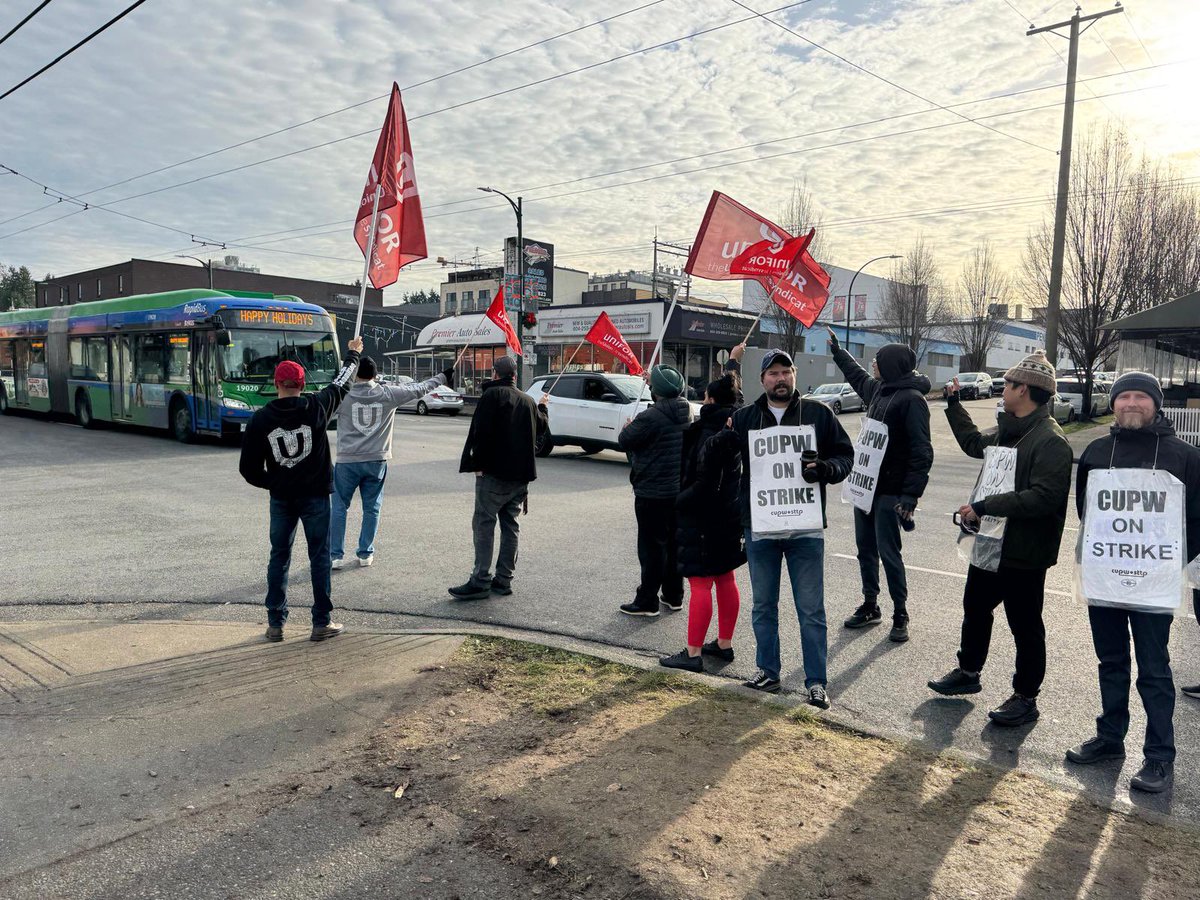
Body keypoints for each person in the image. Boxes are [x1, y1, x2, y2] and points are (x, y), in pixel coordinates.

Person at [1065, 373, 1200, 793]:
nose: (1131, 403)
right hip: (1105, 579)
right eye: (1124, 396)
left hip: (1155, 584)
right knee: (1111, 662)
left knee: (1154, 670)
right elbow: (1087, 512)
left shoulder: (1186, 456)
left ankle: (1159, 756)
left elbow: (1197, 519)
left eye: (1141, 396)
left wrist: (1168, 563)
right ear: (1114, 403)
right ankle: (1109, 738)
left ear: (1156, 403)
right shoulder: (1096, 451)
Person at [927, 350, 1072, 726]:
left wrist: (985, 504)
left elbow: (1044, 498)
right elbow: (975, 444)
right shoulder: (1010, 430)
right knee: (975, 608)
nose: (1002, 389)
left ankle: (1026, 697)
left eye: (1007, 384)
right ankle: (968, 673)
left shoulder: (1050, 441)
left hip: (1025, 551)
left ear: (1024, 390)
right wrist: (954, 405)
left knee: (1025, 625)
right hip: (992, 543)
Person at [730, 349, 854, 708]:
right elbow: (722, 457)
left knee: (811, 610)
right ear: (762, 380)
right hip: (761, 529)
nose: (780, 378)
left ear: (795, 375)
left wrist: (826, 469)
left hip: (805, 530)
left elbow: (846, 456)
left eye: (786, 372)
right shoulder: (746, 418)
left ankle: (816, 682)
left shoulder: (818, 414)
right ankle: (768, 672)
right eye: (773, 373)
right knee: (763, 606)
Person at [239, 336, 363, 643]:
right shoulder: (317, 406)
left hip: (282, 498)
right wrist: (353, 353)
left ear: (276, 383)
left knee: (279, 556)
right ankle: (321, 622)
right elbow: (343, 381)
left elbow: (248, 469)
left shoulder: (260, 419)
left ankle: (275, 623)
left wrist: (275, 481)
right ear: (302, 383)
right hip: (316, 495)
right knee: (319, 556)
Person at [828, 328, 933, 642]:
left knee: (890, 554)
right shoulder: (881, 390)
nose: (873, 364)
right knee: (865, 551)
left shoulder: (912, 400)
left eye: (878, 360)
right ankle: (871, 605)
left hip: (890, 492)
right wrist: (838, 352)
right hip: (865, 489)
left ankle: (900, 612)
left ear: (892, 365)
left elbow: (922, 450)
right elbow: (857, 376)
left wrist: (910, 496)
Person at [331, 357, 455, 569]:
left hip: (347, 460)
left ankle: (335, 555)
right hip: (376, 460)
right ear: (375, 374)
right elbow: (420, 388)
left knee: (339, 507)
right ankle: (365, 553)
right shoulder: (388, 394)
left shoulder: (343, 395)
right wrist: (443, 376)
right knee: (372, 508)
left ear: (355, 374)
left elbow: (322, 407)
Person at [660, 371, 746, 672]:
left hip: (703, 517)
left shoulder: (709, 432)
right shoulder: (738, 421)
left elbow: (703, 484)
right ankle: (724, 644)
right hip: (729, 515)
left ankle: (693, 653)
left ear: (709, 399)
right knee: (725, 577)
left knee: (700, 583)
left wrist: (678, 502)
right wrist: (734, 362)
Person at [449, 356, 549, 600]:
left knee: (484, 525)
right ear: (514, 375)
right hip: (520, 477)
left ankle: (480, 580)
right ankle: (503, 580)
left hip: (493, 474)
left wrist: (478, 465)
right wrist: (543, 406)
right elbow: (542, 427)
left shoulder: (491, 397)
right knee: (510, 526)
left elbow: (480, 433)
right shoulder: (527, 401)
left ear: (495, 374)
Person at [617, 364, 693, 617]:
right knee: (673, 545)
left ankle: (647, 600)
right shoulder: (686, 411)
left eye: (651, 386)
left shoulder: (649, 417)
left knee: (651, 548)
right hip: (678, 489)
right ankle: (674, 595)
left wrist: (628, 427)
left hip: (652, 491)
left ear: (656, 391)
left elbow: (625, 441)